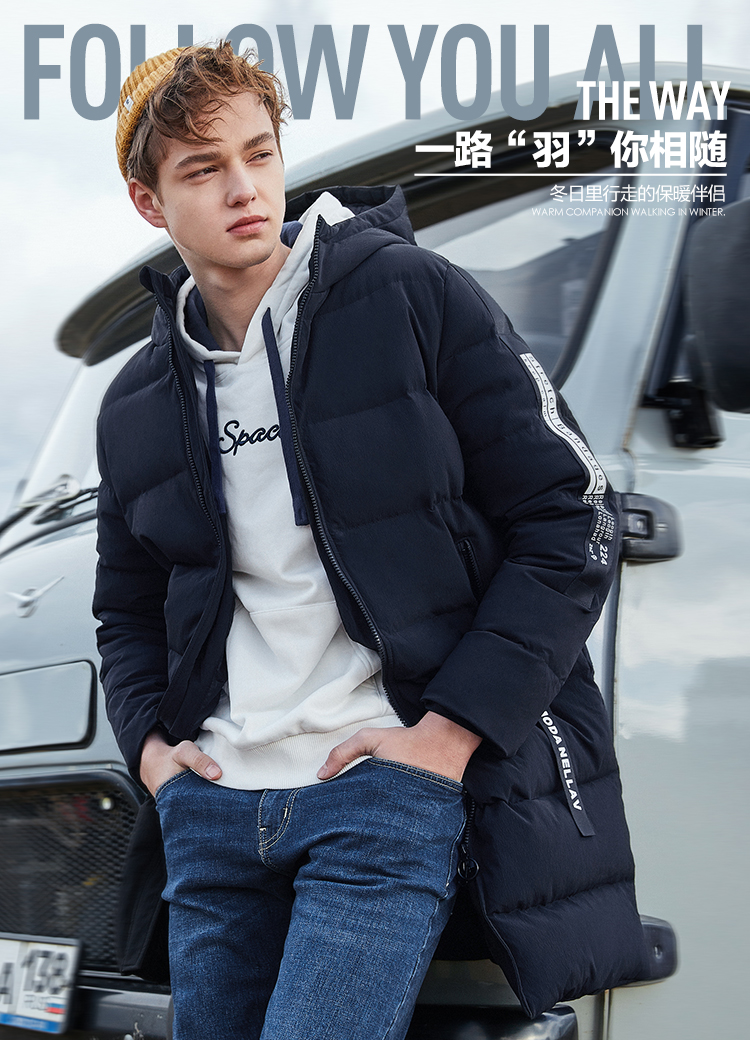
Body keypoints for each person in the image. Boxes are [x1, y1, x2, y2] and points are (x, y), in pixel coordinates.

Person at [94, 41, 649, 1040]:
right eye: (204, 168)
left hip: (377, 791)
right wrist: (151, 754)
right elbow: (124, 608)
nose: (244, 189)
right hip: (213, 811)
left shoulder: (408, 292)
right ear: (148, 201)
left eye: (259, 154)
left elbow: (573, 511)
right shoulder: (137, 398)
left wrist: (448, 735)